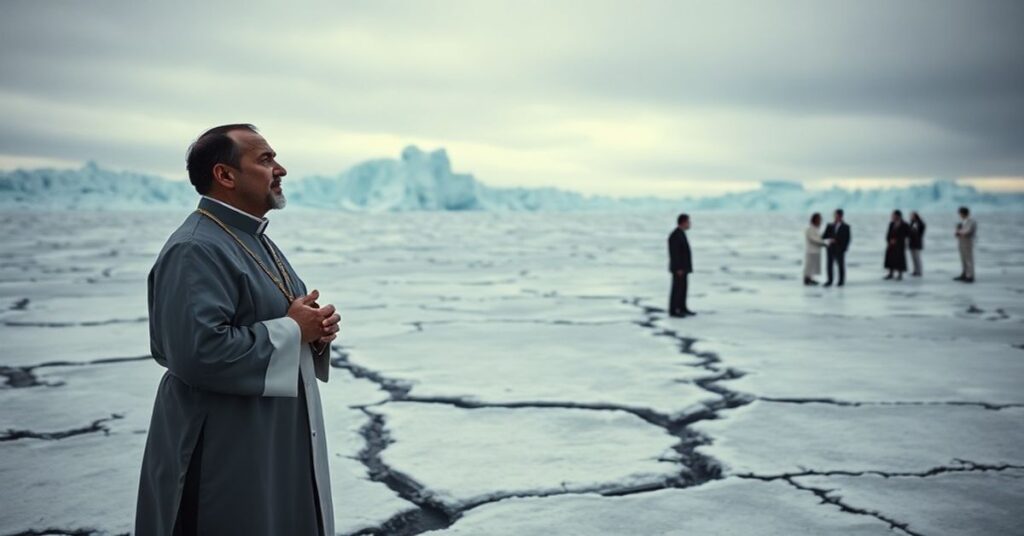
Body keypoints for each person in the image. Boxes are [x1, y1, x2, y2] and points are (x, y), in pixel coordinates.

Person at [135, 124, 339, 536]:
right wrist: (292, 331)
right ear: (225, 175)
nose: (279, 169)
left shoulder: (251, 237)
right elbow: (198, 352)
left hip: (268, 435)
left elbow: (280, 318)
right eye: (265, 160)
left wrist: (314, 331)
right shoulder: (196, 248)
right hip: (222, 445)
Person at [668, 213, 695, 317]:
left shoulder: (681, 233)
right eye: (688, 222)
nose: (690, 224)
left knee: (683, 289)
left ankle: (682, 308)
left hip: (683, 268)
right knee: (677, 289)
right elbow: (674, 253)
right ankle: (674, 310)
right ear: (683, 222)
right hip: (678, 269)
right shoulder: (675, 235)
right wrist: (678, 268)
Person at [821, 209, 851, 287]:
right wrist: (829, 240)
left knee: (841, 265)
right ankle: (829, 280)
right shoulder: (830, 225)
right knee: (829, 265)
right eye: (835, 215)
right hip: (830, 248)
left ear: (841, 216)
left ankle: (841, 281)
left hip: (840, 248)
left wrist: (844, 248)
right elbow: (824, 236)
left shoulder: (846, 227)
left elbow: (847, 239)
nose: (835, 217)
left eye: (837, 215)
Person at [804, 212, 829, 285]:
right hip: (811, 251)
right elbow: (814, 239)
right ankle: (807, 279)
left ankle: (811, 278)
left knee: (813, 267)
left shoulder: (816, 229)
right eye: (819, 219)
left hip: (816, 251)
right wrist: (823, 243)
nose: (820, 221)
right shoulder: (810, 229)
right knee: (810, 266)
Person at [884, 209, 909, 280]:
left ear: (898, 216)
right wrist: (889, 240)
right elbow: (888, 234)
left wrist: (898, 240)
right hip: (891, 245)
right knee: (890, 259)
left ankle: (900, 274)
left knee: (900, 259)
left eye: (893, 215)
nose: (892, 216)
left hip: (900, 245)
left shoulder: (904, 224)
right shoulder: (891, 224)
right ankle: (890, 273)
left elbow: (907, 234)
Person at [954, 206, 977, 283]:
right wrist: (957, 231)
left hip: (967, 242)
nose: (959, 215)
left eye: (960, 213)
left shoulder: (971, 221)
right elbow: (959, 231)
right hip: (961, 242)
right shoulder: (962, 222)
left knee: (968, 259)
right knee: (963, 259)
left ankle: (970, 276)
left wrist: (959, 232)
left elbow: (968, 231)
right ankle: (964, 274)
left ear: (964, 213)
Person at [908, 211, 926, 276]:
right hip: (912, 243)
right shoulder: (912, 223)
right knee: (913, 258)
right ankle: (915, 270)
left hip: (917, 243)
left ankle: (919, 271)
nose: (910, 217)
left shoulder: (920, 223)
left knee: (917, 258)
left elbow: (920, 232)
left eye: (912, 216)